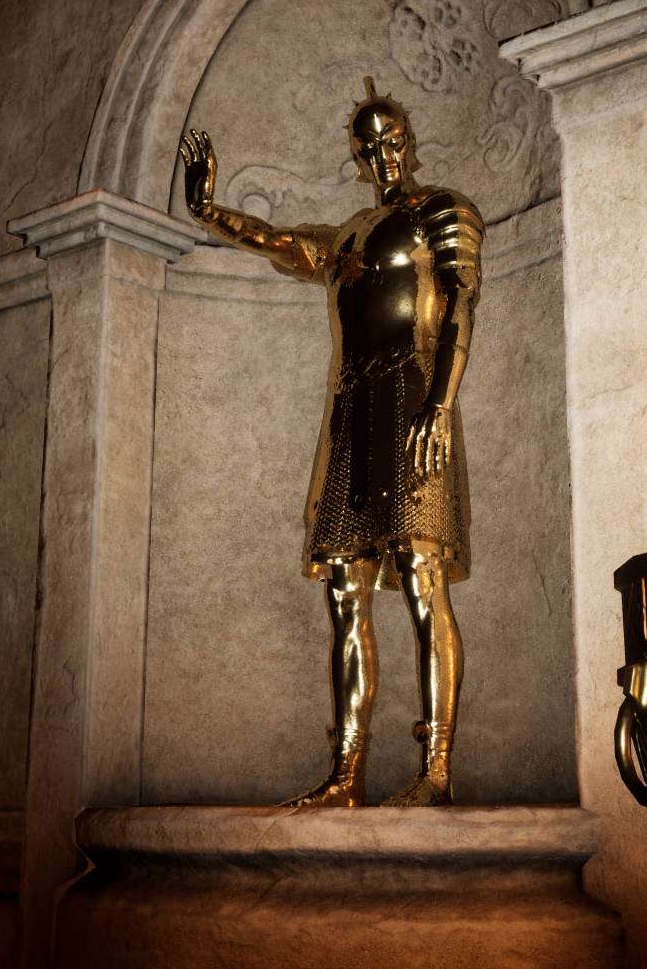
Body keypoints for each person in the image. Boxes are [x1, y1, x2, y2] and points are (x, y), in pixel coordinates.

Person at [176, 77, 483, 806]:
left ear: (409, 139)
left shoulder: (444, 211)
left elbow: (462, 304)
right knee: (346, 593)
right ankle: (345, 775)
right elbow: (277, 240)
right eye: (367, 147)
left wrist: (439, 406)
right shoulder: (347, 237)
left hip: (413, 401)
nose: (383, 155)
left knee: (422, 579)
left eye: (391, 139)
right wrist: (207, 210)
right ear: (357, 157)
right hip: (352, 414)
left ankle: (436, 770)